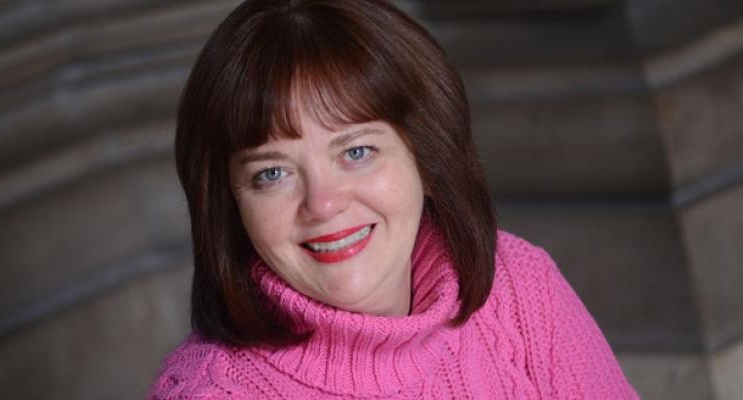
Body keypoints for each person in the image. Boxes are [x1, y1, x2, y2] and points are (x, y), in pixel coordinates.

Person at [149, 0, 638, 398]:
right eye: (272, 173)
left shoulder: (518, 288)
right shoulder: (209, 393)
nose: (322, 203)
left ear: (428, 160)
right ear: (231, 206)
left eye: (357, 151)